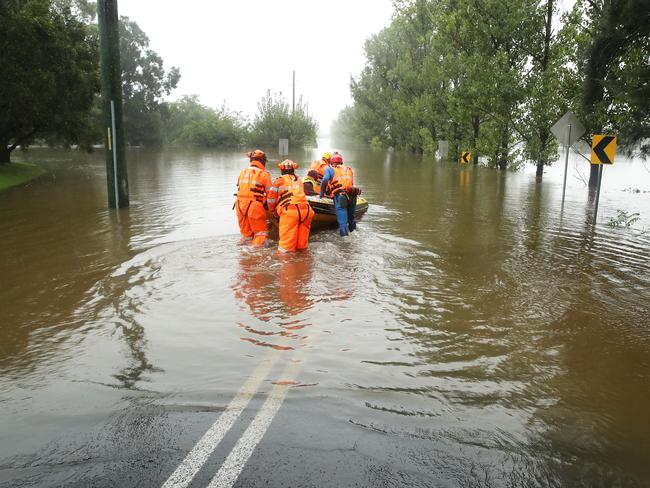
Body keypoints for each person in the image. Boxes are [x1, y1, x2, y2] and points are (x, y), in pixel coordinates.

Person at [267, 160, 314, 253]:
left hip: (290, 212)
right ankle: (303, 264)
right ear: (293, 169)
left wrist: (273, 211)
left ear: (281, 169)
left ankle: (287, 266)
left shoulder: (279, 181)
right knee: (302, 246)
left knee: (285, 249)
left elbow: (271, 199)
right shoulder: (299, 180)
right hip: (306, 211)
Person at [235, 149, 272, 246]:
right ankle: (255, 257)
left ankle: (245, 257)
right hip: (254, 206)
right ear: (263, 161)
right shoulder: (264, 174)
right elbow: (271, 195)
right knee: (260, 234)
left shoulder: (242, 172)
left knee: (246, 235)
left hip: (239, 206)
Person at [320, 152, 359, 236]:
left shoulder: (330, 170)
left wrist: (321, 194)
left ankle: (344, 244)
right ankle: (354, 234)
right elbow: (350, 183)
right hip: (352, 196)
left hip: (341, 197)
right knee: (351, 219)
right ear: (342, 162)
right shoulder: (349, 169)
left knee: (343, 223)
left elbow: (324, 180)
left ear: (331, 162)